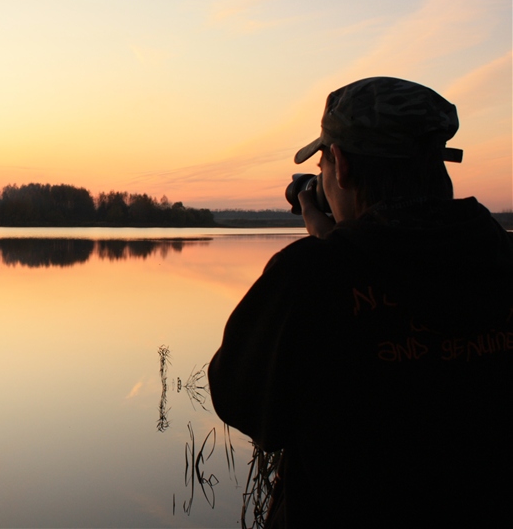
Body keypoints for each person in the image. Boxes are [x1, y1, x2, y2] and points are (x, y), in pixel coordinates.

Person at [207, 77, 513, 528]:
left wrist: (331, 251)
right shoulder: (502, 261)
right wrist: (342, 245)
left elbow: (239, 398)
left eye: (324, 162)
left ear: (342, 165)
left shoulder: (310, 276)